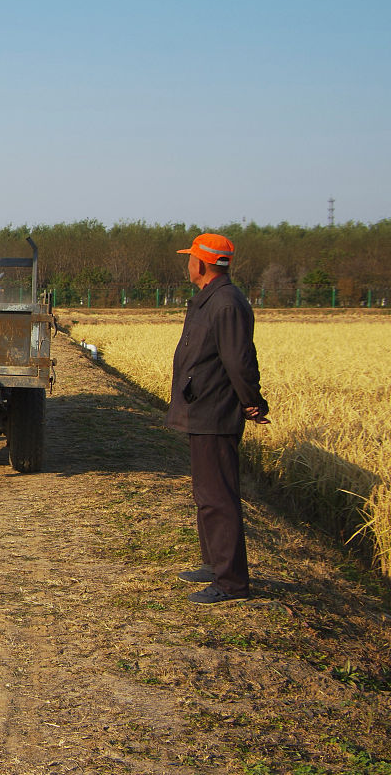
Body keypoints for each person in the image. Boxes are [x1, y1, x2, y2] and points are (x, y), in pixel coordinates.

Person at [166, 233, 269, 605]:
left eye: (190, 257)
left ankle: (231, 583)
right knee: (207, 495)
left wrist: (251, 401)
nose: (187, 263)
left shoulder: (225, 303)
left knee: (219, 498)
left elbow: (239, 360)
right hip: (203, 409)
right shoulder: (214, 299)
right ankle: (214, 565)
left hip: (215, 412)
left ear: (202, 264)